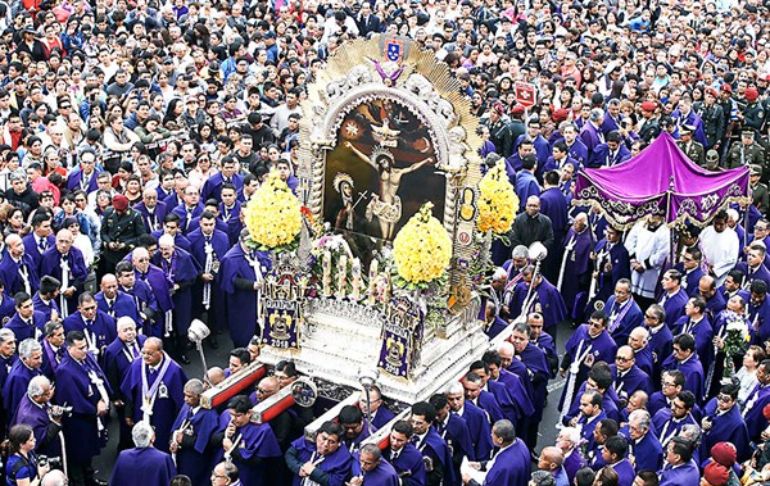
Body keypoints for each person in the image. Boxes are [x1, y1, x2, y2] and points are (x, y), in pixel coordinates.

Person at [54, 331, 110, 486]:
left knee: (88, 455)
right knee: (78, 457)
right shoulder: (64, 370)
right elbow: (73, 400)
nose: (85, 350)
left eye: (85, 346)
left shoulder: (83, 360)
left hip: (89, 418)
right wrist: (96, 409)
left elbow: (94, 380)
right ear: (69, 348)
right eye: (80, 348)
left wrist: (100, 399)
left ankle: (90, 479)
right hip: (78, 422)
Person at [120, 337, 187, 454]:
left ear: (160, 352)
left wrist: (177, 428)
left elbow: (181, 402)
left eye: (149, 353)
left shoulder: (174, 371)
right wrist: (128, 414)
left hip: (163, 419)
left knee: (160, 448)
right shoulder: (137, 365)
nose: (145, 356)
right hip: (140, 415)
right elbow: (130, 392)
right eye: (143, 352)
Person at [219, 229, 271, 347]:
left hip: (260, 298)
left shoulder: (257, 251)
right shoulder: (231, 258)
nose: (251, 246)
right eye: (248, 243)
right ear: (241, 240)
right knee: (243, 329)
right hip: (242, 301)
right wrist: (251, 285)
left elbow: (267, 264)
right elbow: (230, 280)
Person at [103, 316, 145, 451]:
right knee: (126, 425)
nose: (130, 333)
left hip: (144, 391)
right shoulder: (112, 350)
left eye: (132, 329)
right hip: (124, 394)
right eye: (125, 330)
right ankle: (125, 450)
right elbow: (110, 376)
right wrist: (115, 398)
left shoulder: (143, 341)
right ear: (118, 332)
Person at [169, 378, 219, 484]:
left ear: (199, 397)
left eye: (189, 396)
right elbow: (176, 428)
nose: (185, 399)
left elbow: (204, 444)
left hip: (196, 462)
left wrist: (184, 439)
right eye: (185, 395)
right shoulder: (187, 406)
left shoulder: (209, 415)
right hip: (181, 456)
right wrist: (173, 441)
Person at [461, 419, 530, 486]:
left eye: (493, 434)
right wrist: (480, 465)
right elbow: (496, 461)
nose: (491, 435)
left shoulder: (503, 468)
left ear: (500, 440)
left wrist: (469, 480)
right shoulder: (520, 443)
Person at [285, 420, 353, 486]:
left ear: (339, 444)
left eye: (332, 442)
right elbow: (289, 454)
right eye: (323, 438)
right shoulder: (309, 438)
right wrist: (298, 468)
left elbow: (335, 482)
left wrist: (313, 472)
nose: (326, 444)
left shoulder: (344, 458)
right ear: (317, 434)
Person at [109, 421, 177, 486]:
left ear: (134, 438)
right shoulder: (164, 459)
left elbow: (115, 482)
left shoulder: (123, 457)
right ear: (153, 437)